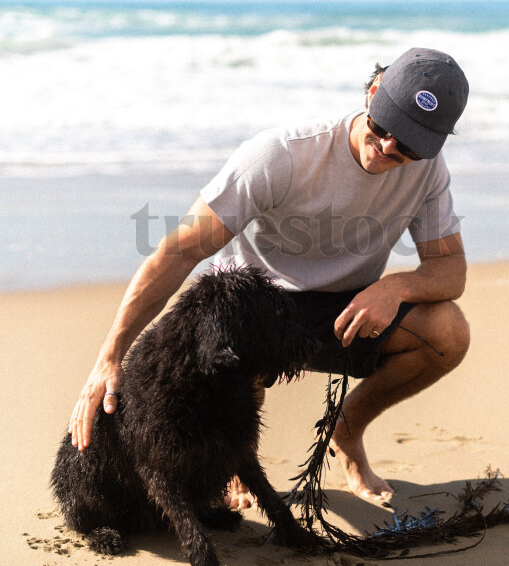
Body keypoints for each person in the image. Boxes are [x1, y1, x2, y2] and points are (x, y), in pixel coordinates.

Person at [69, 47, 471, 506]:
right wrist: (111, 354)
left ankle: (347, 429)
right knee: (234, 330)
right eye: (382, 129)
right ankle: (240, 459)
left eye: (409, 147)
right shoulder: (284, 155)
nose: (386, 148)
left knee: (448, 331)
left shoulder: (428, 172)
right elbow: (179, 252)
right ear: (373, 92)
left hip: (347, 309)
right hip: (258, 304)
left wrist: (394, 287)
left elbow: (449, 268)